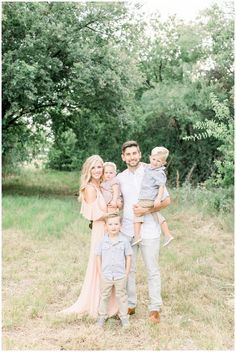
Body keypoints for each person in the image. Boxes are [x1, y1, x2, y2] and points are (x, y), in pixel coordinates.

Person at [117, 141, 171, 323]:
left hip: (149, 230)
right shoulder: (120, 177)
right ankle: (131, 305)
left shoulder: (152, 170)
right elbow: (118, 201)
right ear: (123, 157)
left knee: (152, 270)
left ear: (140, 154)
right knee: (129, 270)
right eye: (128, 154)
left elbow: (166, 201)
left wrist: (146, 211)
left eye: (135, 153)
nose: (132, 157)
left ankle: (154, 308)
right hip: (126, 231)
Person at [60, 155, 118, 318]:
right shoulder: (90, 188)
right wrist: (111, 214)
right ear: (88, 170)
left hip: (109, 227)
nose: (98, 170)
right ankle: (99, 305)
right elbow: (94, 214)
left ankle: (110, 304)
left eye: (100, 167)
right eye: (94, 167)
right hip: (100, 229)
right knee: (100, 265)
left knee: (111, 264)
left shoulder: (101, 185)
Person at [96, 213, 132, 328]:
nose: (113, 226)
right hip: (106, 274)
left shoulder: (124, 241)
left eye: (116, 224)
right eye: (110, 224)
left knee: (122, 296)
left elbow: (128, 256)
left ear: (120, 225)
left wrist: (126, 272)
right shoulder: (102, 241)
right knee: (104, 296)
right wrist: (100, 272)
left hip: (120, 275)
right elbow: (98, 256)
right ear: (106, 226)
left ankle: (124, 317)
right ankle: (102, 316)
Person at [132, 146, 174, 247]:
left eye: (158, 161)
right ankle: (167, 234)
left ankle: (137, 236)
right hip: (148, 198)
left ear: (163, 163)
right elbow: (144, 165)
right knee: (155, 214)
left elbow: (161, 186)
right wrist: (138, 162)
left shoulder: (159, 172)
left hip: (148, 198)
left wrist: (159, 198)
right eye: (153, 159)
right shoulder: (150, 167)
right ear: (150, 158)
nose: (155, 162)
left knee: (137, 212)